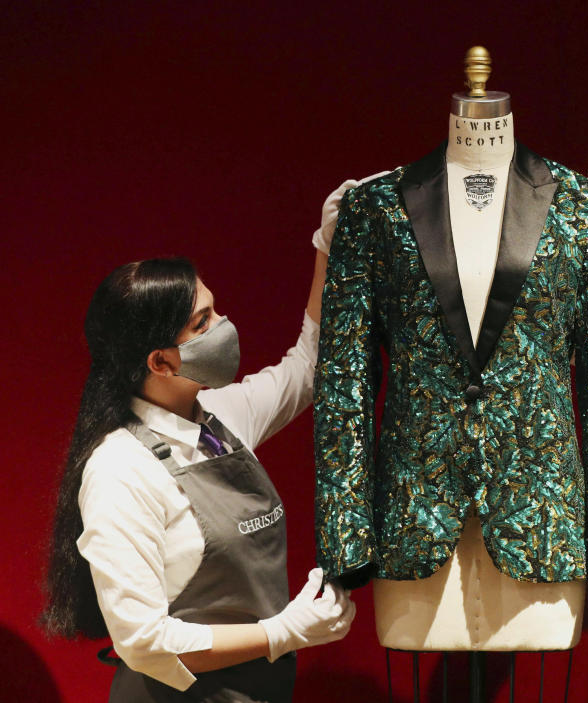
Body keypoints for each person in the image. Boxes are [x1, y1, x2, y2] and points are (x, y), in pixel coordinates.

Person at [42, 242, 355, 701]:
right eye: (202, 322)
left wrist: (327, 246)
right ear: (160, 361)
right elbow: (143, 642)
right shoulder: (120, 469)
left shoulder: (220, 417)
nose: (224, 327)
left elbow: (308, 368)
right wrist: (279, 633)